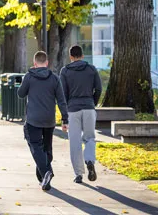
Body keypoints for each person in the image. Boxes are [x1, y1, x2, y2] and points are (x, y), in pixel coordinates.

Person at [17, 51, 68, 191]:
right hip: (49, 119)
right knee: (46, 148)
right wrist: (65, 119)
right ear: (46, 63)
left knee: (35, 146)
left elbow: (20, 94)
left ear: (34, 64)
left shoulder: (29, 76)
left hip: (33, 119)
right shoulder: (54, 78)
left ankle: (46, 172)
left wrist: (26, 81)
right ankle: (44, 180)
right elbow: (61, 100)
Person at [59, 45, 102, 184]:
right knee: (89, 138)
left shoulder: (65, 71)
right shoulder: (91, 69)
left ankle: (78, 174)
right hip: (89, 107)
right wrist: (92, 103)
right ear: (83, 56)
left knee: (74, 142)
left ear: (70, 56)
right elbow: (99, 88)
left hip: (73, 110)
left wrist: (64, 115)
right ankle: (89, 160)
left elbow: (63, 94)